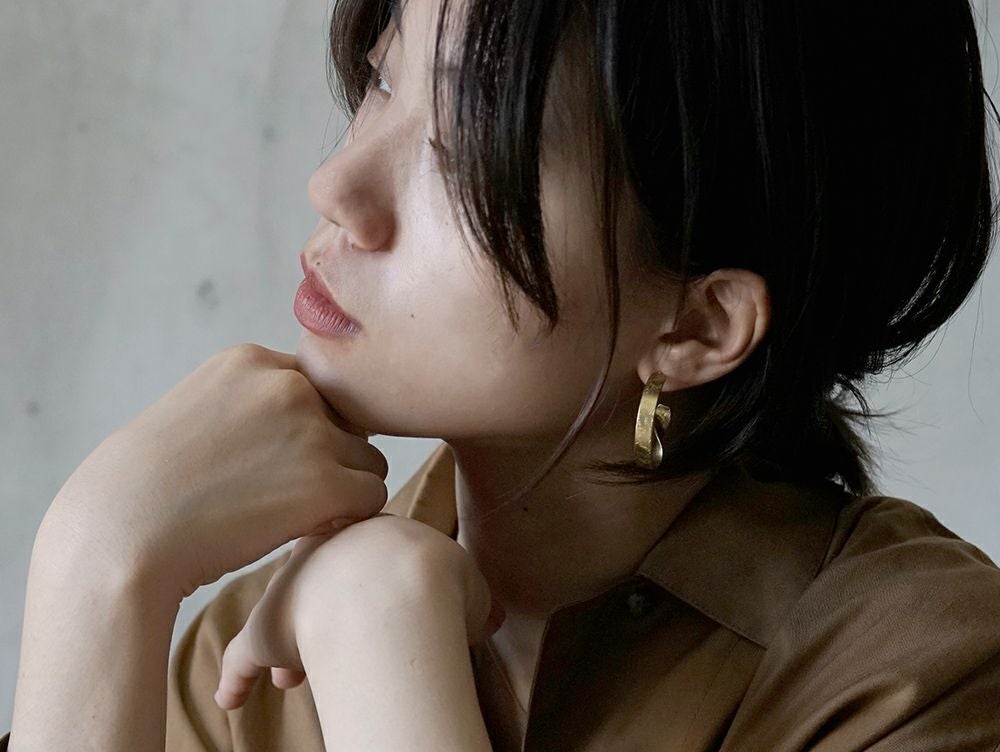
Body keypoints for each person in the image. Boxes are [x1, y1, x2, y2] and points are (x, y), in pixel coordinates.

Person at [6, 0, 1000, 749]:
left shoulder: (915, 676)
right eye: (381, 77)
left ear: (697, 325)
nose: (336, 186)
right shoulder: (253, 651)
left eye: (469, 146)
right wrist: (96, 565)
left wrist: (376, 638)